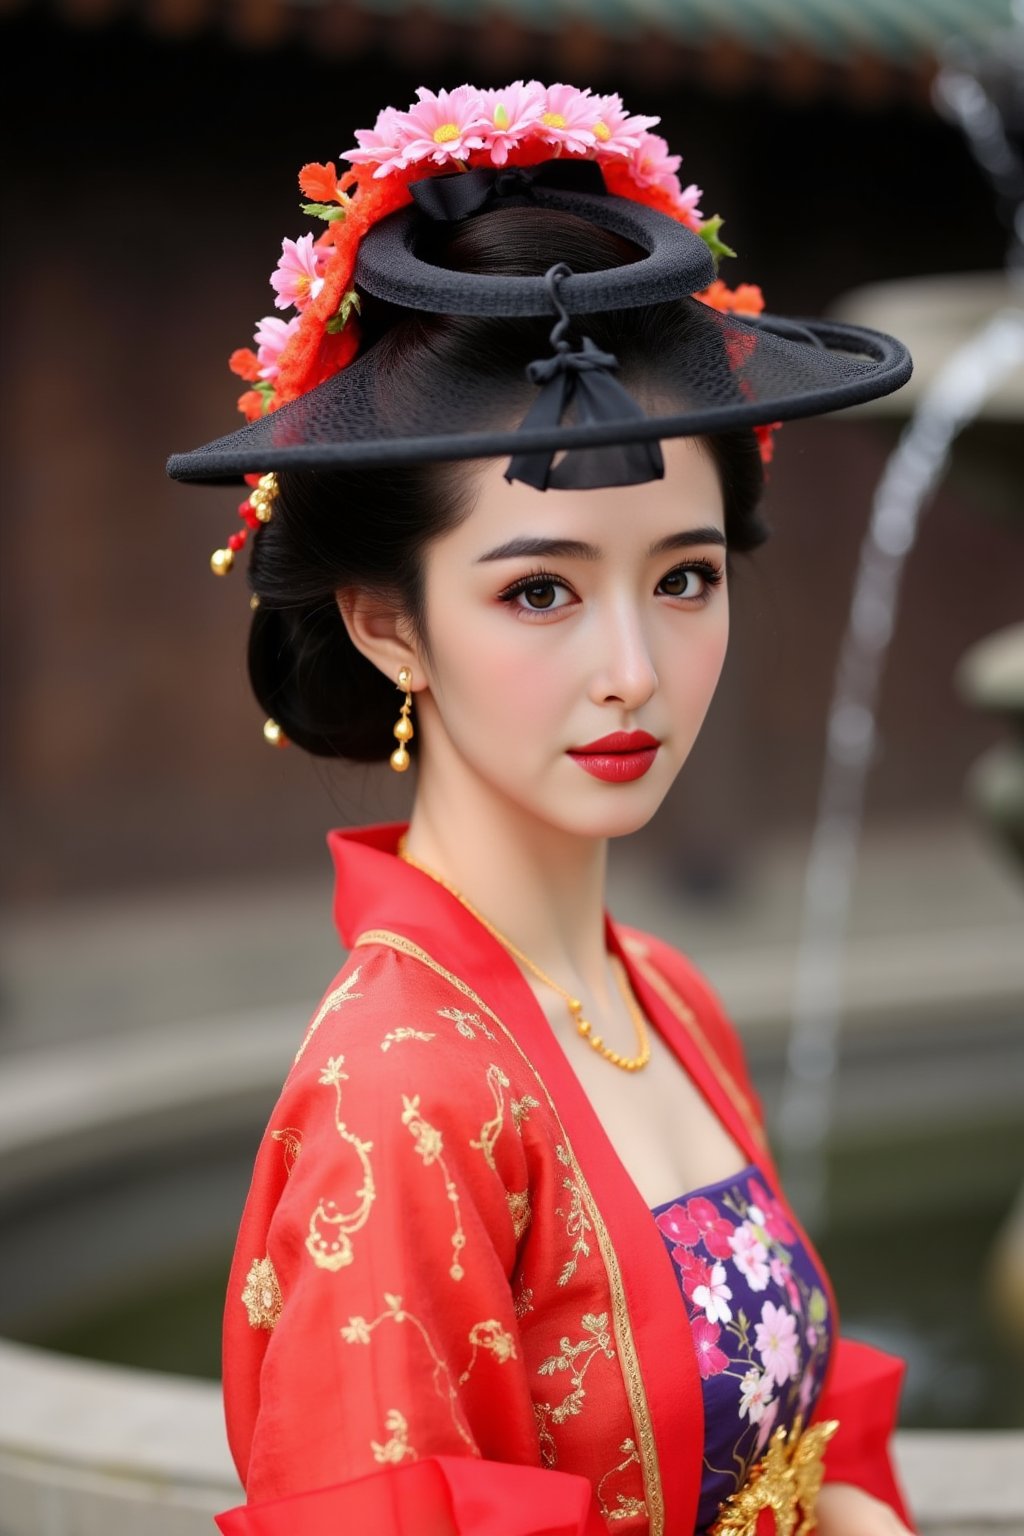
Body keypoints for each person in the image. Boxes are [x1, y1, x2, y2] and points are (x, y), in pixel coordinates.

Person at [168, 82, 915, 1536]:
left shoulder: (663, 995)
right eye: (539, 591)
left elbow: (788, 1451)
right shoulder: (400, 1096)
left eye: (683, 577)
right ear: (388, 622)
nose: (633, 672)